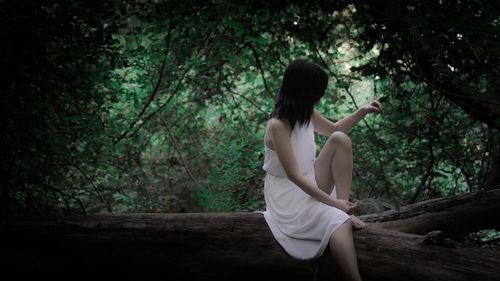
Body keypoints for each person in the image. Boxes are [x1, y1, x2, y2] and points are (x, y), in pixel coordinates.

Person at [261, 60, 381, 281]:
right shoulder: (278, 125)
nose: (320, 96)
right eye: (317, 92)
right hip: (288, 197)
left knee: (340, 139)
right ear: (303, 91)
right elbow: (294, 176)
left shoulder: (308, 112)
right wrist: (333, 203)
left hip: (310, 180)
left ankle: (345, 209)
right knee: (338, 222)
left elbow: (335, 129)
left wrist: (362, 111)